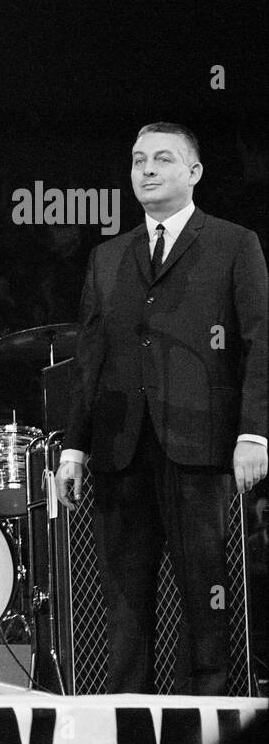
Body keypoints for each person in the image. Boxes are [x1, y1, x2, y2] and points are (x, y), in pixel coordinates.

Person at [56, 123, 268, 695]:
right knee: (123, 595)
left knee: (205, 591)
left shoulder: (233, 243)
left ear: (193, 172)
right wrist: (74, 446)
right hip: (120, 449)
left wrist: (254, 434)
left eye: (162, 159)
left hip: (200, 447)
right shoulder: (106, 257)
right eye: (137, 160)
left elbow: (259, 342)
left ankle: (206, 720)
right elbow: (89, 358)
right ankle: (128, 717)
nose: (146, 170)